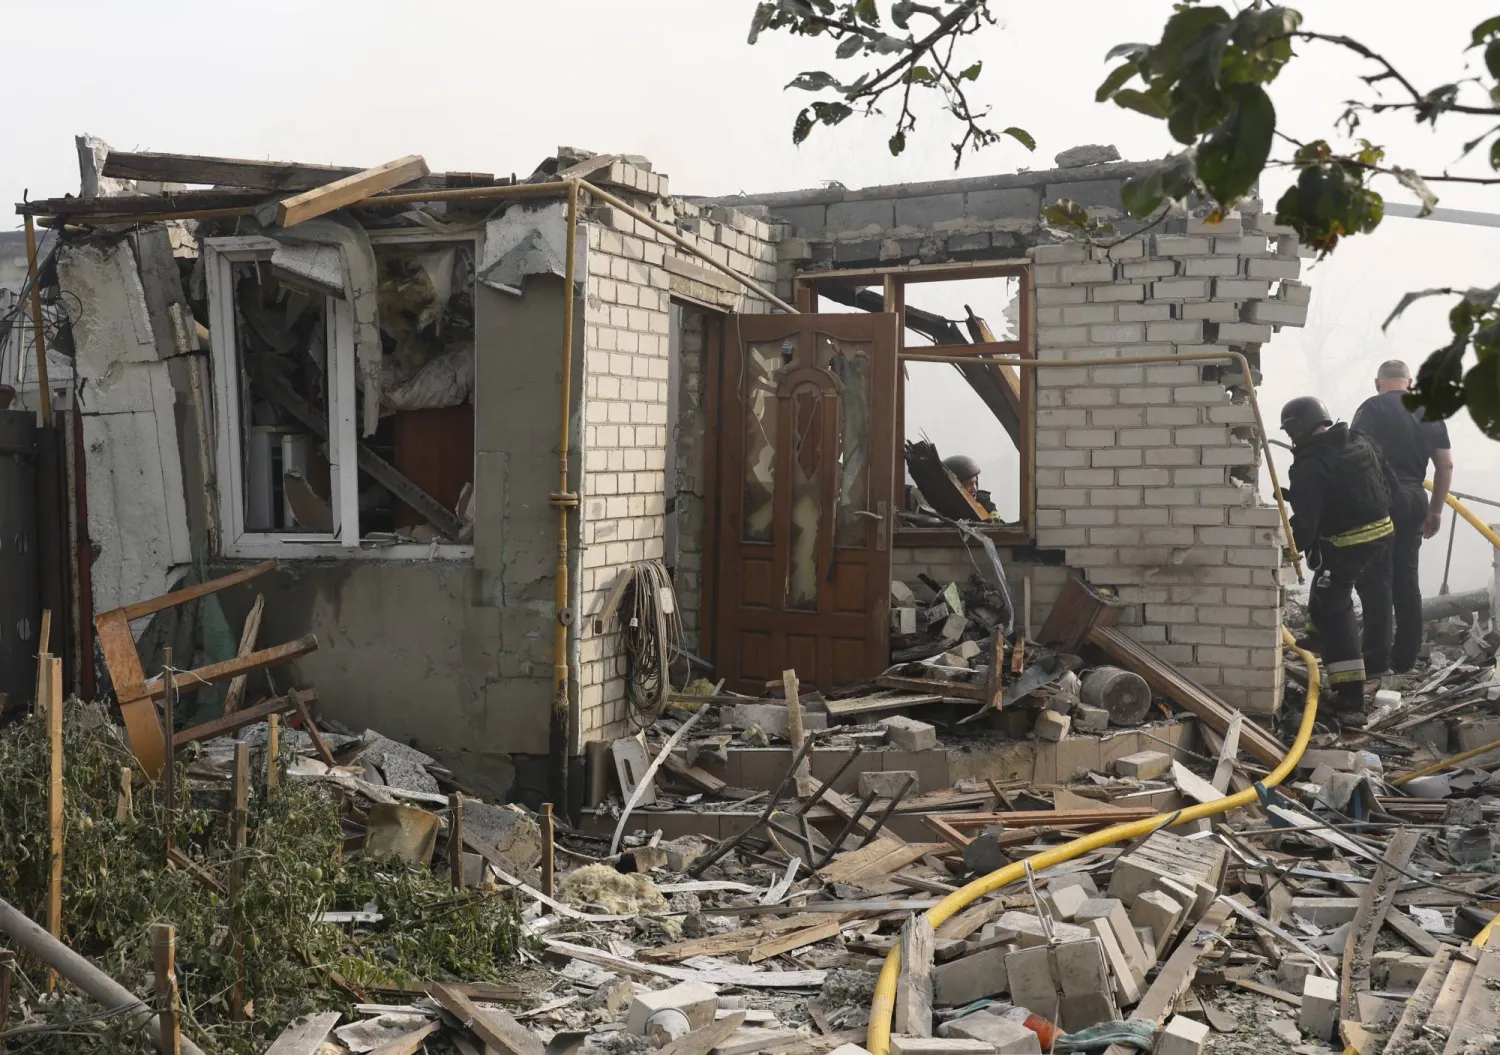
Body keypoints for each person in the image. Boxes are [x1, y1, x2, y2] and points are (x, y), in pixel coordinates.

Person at [1281, 396, 1396, 716]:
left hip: (1352, 543)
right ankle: (1318, 639)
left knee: (1335, 606)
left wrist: (1287, 552)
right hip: (1384, 532)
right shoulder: (1360, 441)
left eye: (1292, 433)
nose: (1292, 440)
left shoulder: (1309, 465)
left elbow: (1307, 522)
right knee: (1326, 585)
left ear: (1300, 429)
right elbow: (1390, 483)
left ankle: (1350, 697)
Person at [1351, 359, 1455, 675]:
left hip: (1379, 500)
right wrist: (1436, 510)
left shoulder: (1371, 408)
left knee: (1377, 580)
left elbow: (1353, 457)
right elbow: (1445, 466)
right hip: (1415, 499)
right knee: (1407, 581)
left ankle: (1377, 662)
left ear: (1377, 382)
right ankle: (1406, 659)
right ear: (1408, 382)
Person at [942, 454, 997, 519]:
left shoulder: (985, 504)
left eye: (975, 482)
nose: (974, 489)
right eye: (968, 484)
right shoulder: (940, 510)